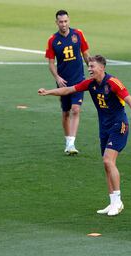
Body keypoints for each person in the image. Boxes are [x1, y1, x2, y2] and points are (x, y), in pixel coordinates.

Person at [38, 55, 131, 216]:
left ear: (102, 68)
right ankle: (112, 203)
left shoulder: (113, 83)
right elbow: (69, 90)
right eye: (88, 66)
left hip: (119, 126)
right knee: (106, 165)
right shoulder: (90, 84)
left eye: (92, 66)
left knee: (108, 160)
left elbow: (130, 100)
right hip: (103, 128)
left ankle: (118, 201)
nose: (89, 69)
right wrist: (48, 92)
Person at [45, 10, 90, 155]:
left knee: (76, 109)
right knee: (65, 112)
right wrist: (57, 78)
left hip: (79, 80)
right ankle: (68, 141)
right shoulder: (53, 40)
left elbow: (86, 54)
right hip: (63, 83)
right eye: (61, 22)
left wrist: (92, 69)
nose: (63, 24)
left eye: (66, 21)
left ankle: (71, 144)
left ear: (69, 20)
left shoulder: (78, 34)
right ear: (56, 22)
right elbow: (51, 63)